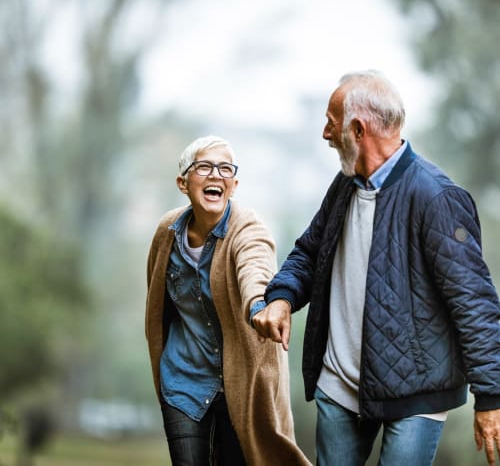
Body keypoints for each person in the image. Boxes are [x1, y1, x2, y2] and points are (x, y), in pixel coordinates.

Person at [252, 70, 500, 466]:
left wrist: (491, 396)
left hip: (415, 395)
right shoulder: (344, 185)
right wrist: (281, 297)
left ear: (357, 128)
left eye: (331, 124)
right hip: (340, 386)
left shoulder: (436, 197)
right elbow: (309, 253)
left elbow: (474, 303)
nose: (324, 134)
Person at [145, 135, 311, 466]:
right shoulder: (167, 232)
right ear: (183, 182)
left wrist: (259, 307)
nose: (215, 175)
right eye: (204, 167)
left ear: (233, 185)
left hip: (241, 385)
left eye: (224, 169)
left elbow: (256, 270)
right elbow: (157, 301)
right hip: (183, 378)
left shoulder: (247, 228)